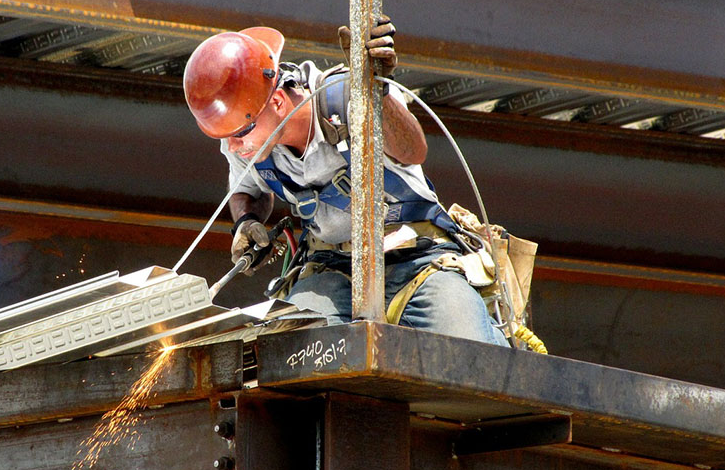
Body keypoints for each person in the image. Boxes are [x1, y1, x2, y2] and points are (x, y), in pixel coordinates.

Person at [182, 19, 508, 346]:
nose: (234, 146)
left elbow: (413, 151)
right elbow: (249, 189)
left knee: (469, 353)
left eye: (239, 135)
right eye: (225, 137)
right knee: (290, 351)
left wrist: (375, 94)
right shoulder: (245, 135)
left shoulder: (350, 97)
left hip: (417, 258)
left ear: (277, 102)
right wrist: (246, 221)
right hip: (330, 268)